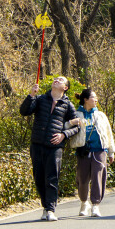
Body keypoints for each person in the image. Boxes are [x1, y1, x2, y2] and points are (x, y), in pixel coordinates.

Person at [19, 76, 82, 221]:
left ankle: (51, 209)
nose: (56, 80)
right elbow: (24, 111)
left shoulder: (67, 104)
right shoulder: (41, 99)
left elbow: (77, 127)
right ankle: (45, 207)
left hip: (55, 147)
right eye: (56, 79)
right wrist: (31, 95)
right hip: (37, 144)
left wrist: (63, 135)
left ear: (65, 87)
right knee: (39, 178)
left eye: (61, 80)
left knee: (52, 178)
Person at [73, 87, 115, 217]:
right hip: (83, 151)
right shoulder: (76, 115)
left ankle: (96, 205)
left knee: (98, 178)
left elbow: (108, 133)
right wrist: (71, 123)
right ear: (85, 100)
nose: (96, 99)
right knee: (83, 178)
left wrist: (111, 151)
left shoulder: (100, 115)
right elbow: (66, 127)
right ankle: (84, 202)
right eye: (93, 97)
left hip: (100, 150)